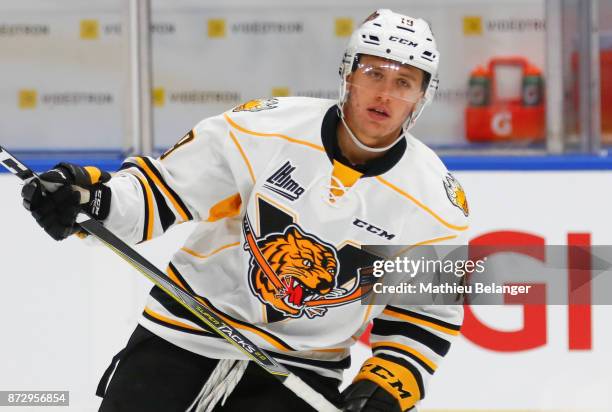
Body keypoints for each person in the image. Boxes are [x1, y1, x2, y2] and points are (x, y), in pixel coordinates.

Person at [21, 9, 469, 412]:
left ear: (422, 97)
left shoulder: (435, 200)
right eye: (374, 73)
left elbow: (425, 314)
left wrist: (389, 384)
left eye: (404, 82)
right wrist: (91, 199)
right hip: (184, 336)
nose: (385, 94)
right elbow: (163, 193)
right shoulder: (263, 128)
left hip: (300, 375)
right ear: (348, 75)